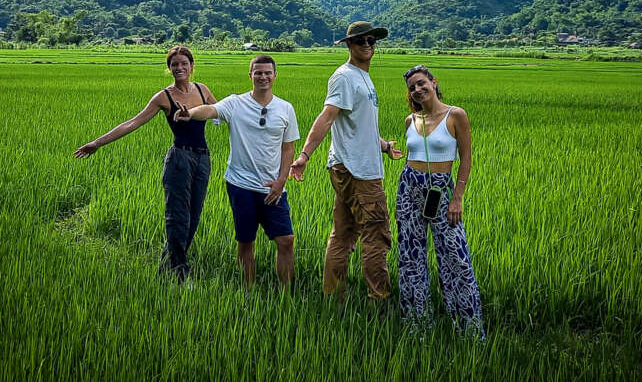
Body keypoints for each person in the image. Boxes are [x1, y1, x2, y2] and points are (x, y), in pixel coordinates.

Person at [74, 46, 216, 282]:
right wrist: (97, 143)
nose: (179, 68)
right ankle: (181, 274)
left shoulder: (202, 90)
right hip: (179, 159)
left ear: (192, 66)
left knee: (194, 216)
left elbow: (221, 111)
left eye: (184, 63)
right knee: (177, 217)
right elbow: (132, 123)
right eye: (174, 64)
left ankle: (166, 270)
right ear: (169, 68)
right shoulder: (164, 97)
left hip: (203, 159)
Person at [289, 21, 403, 303]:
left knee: (343, 234)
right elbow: (327, 116)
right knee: (377, 234)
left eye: (371, 41)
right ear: (349, 45)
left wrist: (385, 146)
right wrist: (304, 155)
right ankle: (379, 299)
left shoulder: (362, 77)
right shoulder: (344, 76)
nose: (367, 45)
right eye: (361, 41)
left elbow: (358, 125)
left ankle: (333, 296)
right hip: (357, 170)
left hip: (354, 165)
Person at [174, 55, 299, 289]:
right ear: (250, 75)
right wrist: (190, 113)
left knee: (286, 240)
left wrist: (281, 180)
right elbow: (210, 110)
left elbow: (288, 148)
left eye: (267, 73)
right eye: (258, 72)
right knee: (245, 241)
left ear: (275, 76)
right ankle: (248, 291)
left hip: (272, 187)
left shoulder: (285, 108)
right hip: (240, 185)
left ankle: (286, 295)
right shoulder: (235, 103)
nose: (263, 76)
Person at [397, 64, 484, 335]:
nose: (418, 90)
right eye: (412, 87)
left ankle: (468, 328)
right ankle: (418, 326)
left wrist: (457, 197)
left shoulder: (455, 115)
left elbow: (466, 159)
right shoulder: (411, 120)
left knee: (456, 256)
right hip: (409, 187)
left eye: (422, 83)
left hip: (441, 190)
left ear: (434, 82)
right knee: (411, 256)